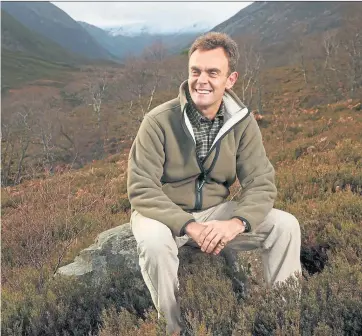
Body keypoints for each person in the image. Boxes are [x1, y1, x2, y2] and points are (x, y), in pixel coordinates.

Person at [127, 32, 302, 335]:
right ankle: (172, 328)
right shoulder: (158, 121)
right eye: (195, 71)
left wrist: (236, 222)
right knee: (155, 244)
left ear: (230, 79)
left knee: (285, 226)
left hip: (215, 213)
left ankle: (284, 321)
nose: (201, 80)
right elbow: (141, 188)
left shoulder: (242, 123)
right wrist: (189, 226)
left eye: (212, 72)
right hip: (162, 215)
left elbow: (261, 182)